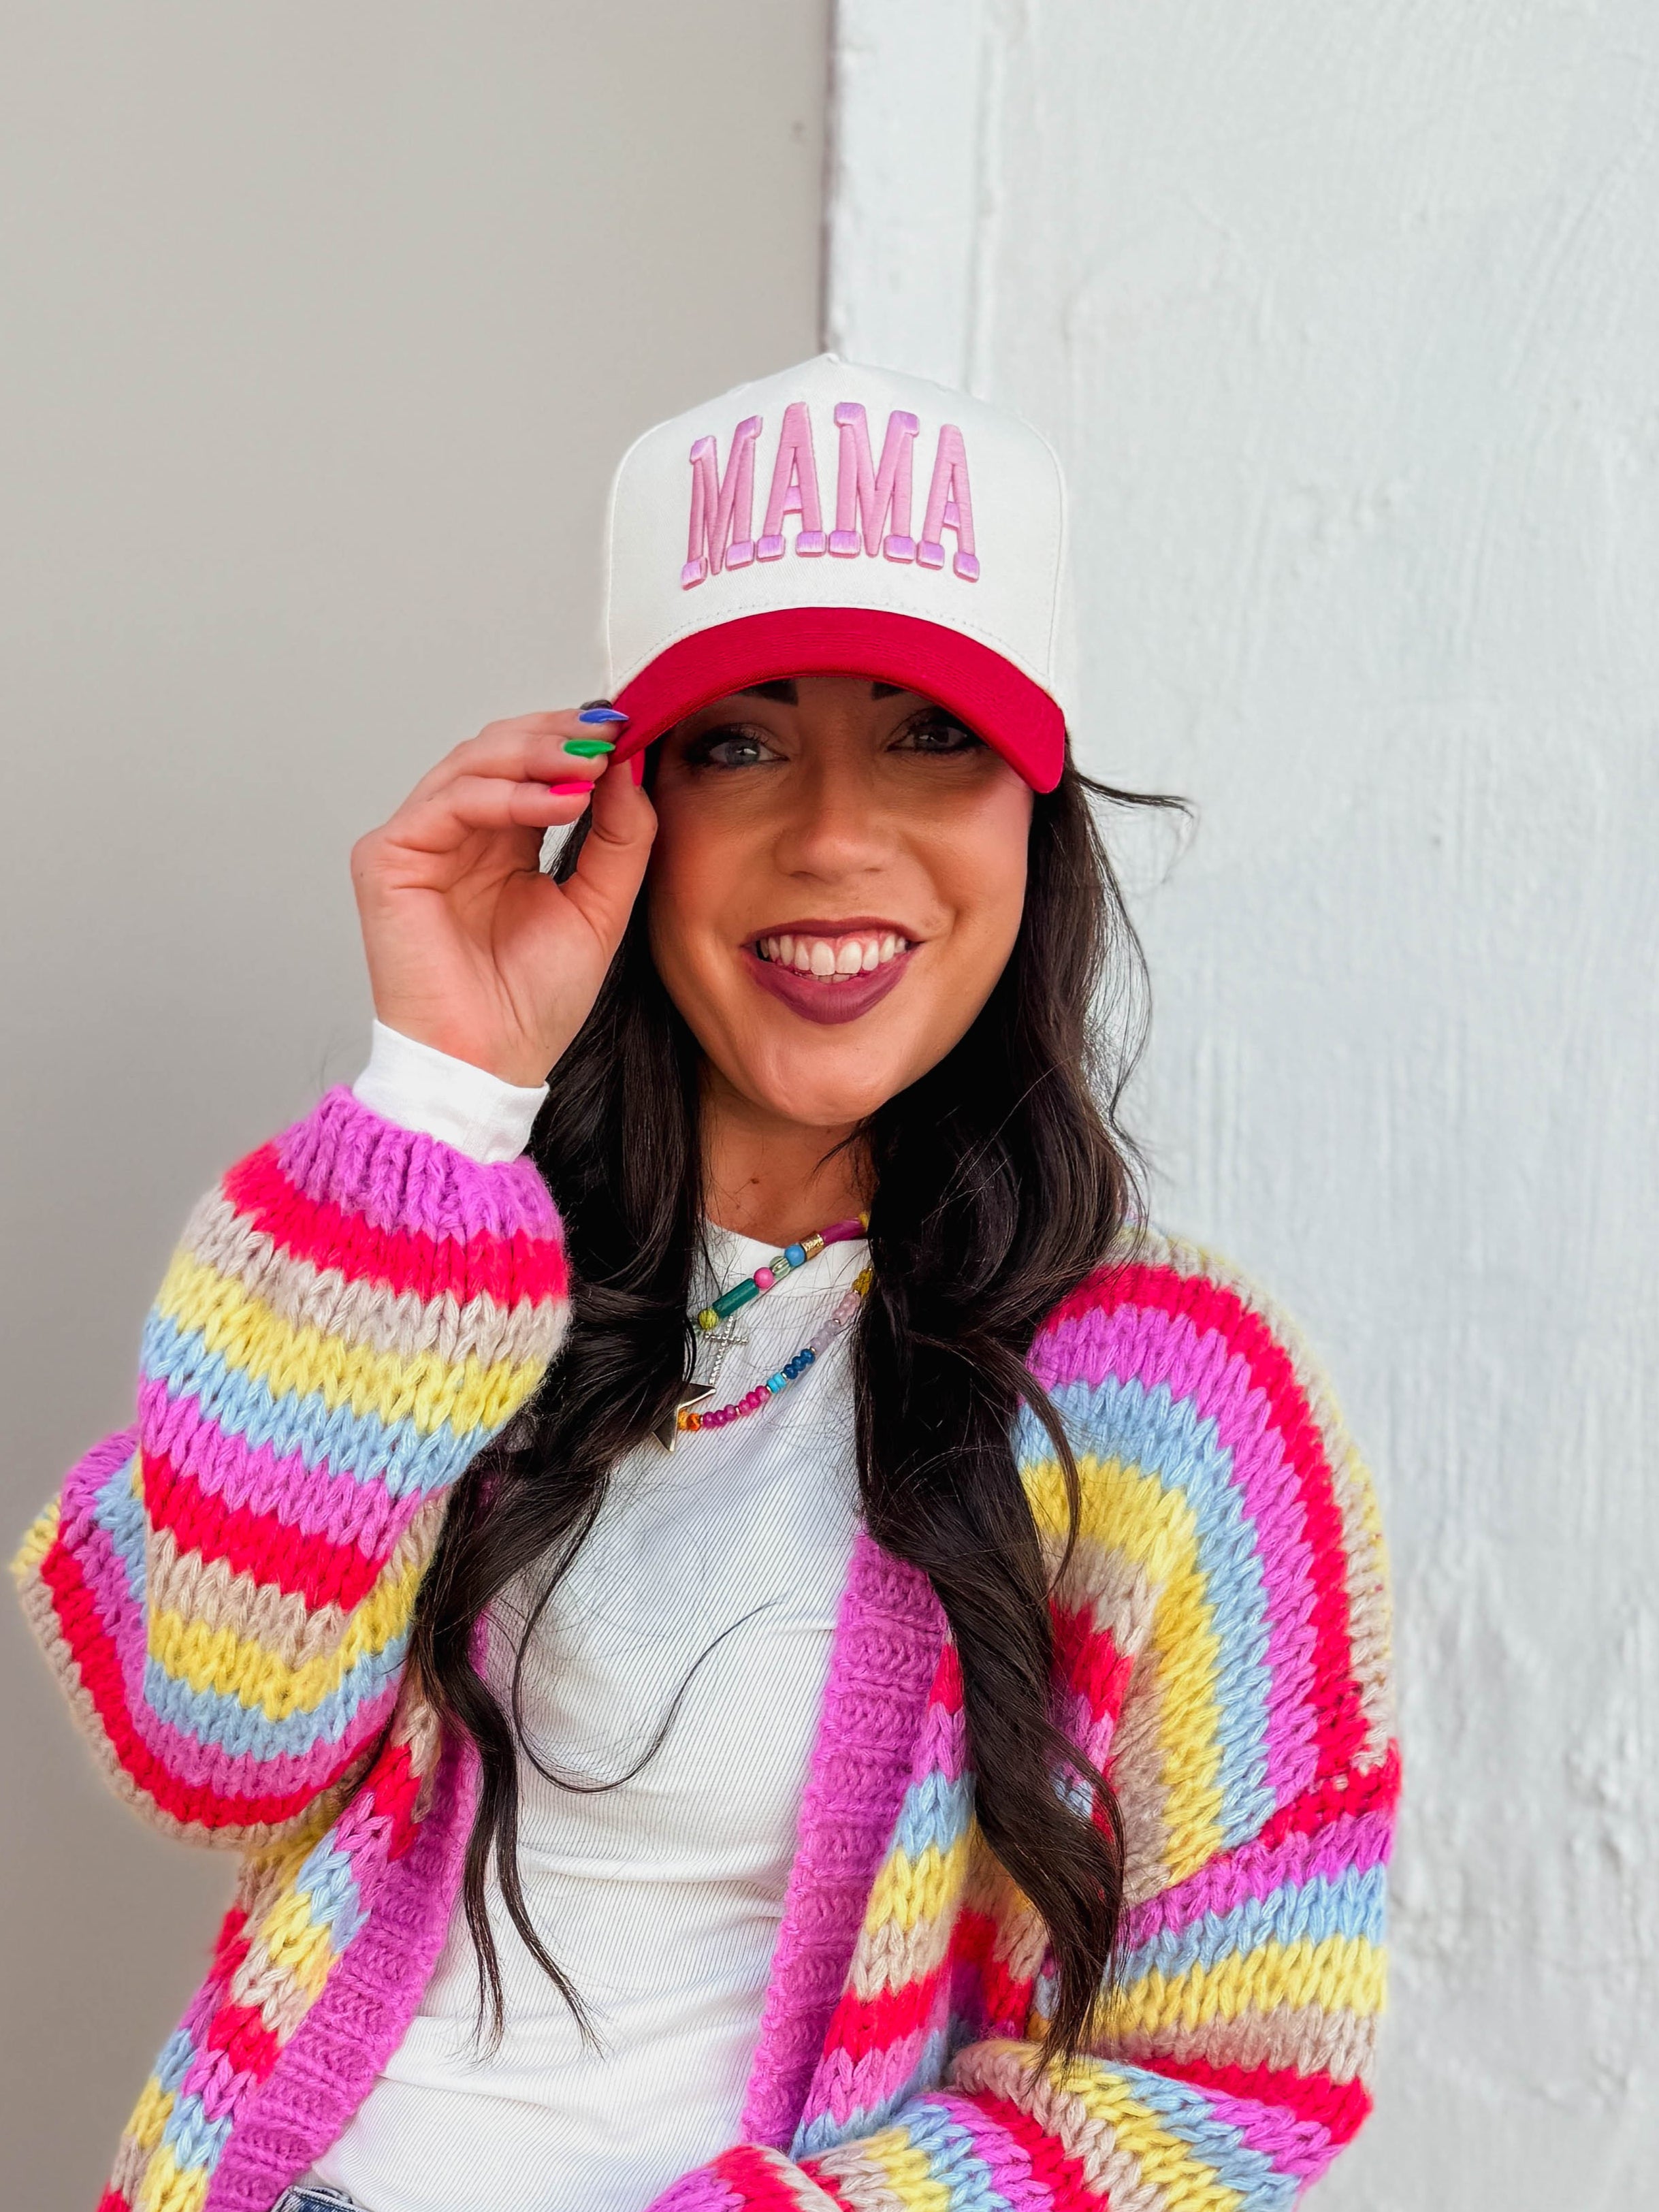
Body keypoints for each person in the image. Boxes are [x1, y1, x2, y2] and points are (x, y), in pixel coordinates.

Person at [14, 355, 1397, 2212]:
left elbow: (1227, 2087)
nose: (833, 836)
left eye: (931, 736)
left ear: (1036, 810)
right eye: (740, 742)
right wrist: (440, 1098)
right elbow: (212, 1746)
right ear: (624, 804)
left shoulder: (1180, 1406)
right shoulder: (426, 1254)